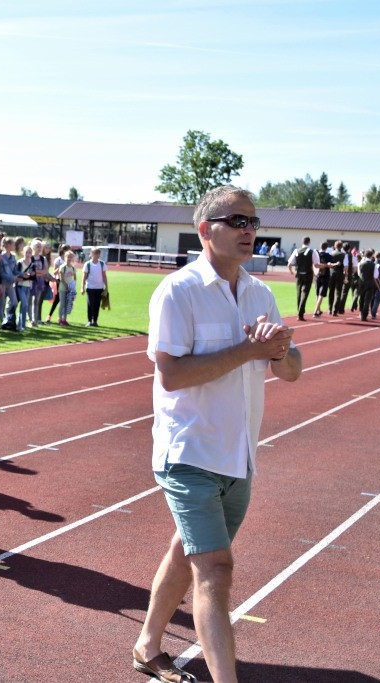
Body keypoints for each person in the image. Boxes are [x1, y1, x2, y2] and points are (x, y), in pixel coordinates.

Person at [135, 186, 302, 683]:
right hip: (190, 453)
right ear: (207, 229)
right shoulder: (178, 291)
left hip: (239, 456)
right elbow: (172, 375)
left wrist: (279, 351)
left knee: (187, 555)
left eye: (253, 222)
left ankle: (146, 645)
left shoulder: (261, 292)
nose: (250, 231)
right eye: (238, 221)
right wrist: (248, 351)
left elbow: (291, 371)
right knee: (216, 570)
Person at [286, 237, 319, 321]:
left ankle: (300, 311)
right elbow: (316, 264)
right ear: (309, 242)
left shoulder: (296, 251)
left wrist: (292, 272)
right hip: (308, 274)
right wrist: (325, 266)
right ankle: (300, 313)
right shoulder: (313, 252)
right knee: (305, 293)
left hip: (299, 275)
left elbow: (289, 264)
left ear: (302, 242)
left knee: (299, 293)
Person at [82, 247, 108, 327]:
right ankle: (89, 320)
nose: (96, 255)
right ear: (91, 254)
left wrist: (106, 287)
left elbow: (104, 276)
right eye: (95, 253)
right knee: (90, 304)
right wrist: (82, 287)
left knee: (97, 304)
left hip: (99, 288)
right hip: (90, 287)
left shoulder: (102, 264)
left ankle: (95, 320)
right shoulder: (87, 264)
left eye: (98, 253)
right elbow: (84, 276)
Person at [356, 248, 380, 322]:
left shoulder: (360, 263)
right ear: (371, 256)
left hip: (362, 283)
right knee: (367, 300)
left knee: (361, 299)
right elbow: (376, 276)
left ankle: (361, 312)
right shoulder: (374, 265)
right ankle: (364, 315)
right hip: (370, 284)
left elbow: (359, 274)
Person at [56, 249, 77, 326]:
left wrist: (73, 287)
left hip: (69, 289)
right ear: (65, 258)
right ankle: (60, 319)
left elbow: (75, 278)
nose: (69, 259)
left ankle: (64, 319)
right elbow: (61, 278)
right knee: (62, 304)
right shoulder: (63, 267)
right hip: (62, 288)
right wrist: (66, 286)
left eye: (71, 257)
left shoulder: (73, 268)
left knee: (67, 304)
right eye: (68, 257)